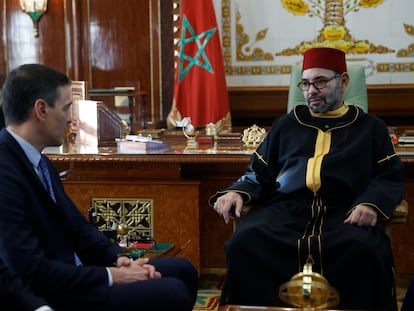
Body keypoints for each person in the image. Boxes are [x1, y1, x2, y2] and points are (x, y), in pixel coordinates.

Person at [210, 47, 404, 310]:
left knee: (365, 250)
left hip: (343, 213)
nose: (312, 90)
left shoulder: (371, 128)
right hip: (284, 211)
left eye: (321, 82)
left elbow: (389, 177)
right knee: (246, 241)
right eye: (306, 83)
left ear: (344, 81)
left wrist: (370, 203)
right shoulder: (286, 124)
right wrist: (237, 192)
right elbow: (258, 171)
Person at [0, 63, 198, 311]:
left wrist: (118, 259)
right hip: (54, 293)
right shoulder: (5, 170)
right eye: (66, 108)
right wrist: (112, 276)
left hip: (79, 273)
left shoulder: (40, 161)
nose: (71, 118)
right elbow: (29, 268)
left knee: (183, 270)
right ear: (41, 109)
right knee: (172, 292)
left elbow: (77, 226)